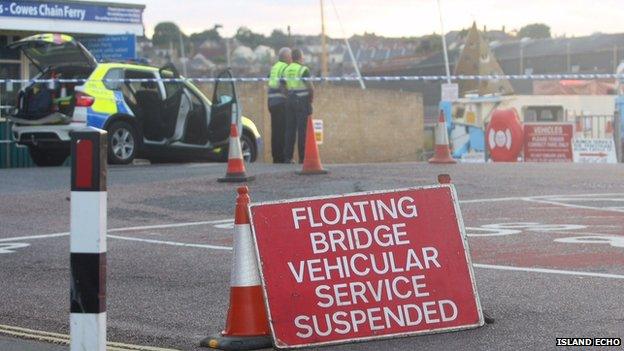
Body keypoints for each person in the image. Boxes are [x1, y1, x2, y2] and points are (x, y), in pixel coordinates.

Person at [283, 48, 314, 163]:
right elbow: (310, 88)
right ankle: (302, 158)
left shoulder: (286, 69)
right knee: (302, 131)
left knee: (290, 130)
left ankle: (288, 158)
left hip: (290, 100)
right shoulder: (303, 69)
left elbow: (282, 85)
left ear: (292, 57)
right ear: (301, 57)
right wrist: (310, 101)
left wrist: (288, 96)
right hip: (302, 101)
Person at [267, 47, 291, 163]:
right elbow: (283, 85)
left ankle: (276, 157)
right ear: (286, 57)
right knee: (283, 131)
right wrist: (289, 97)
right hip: (281, 102)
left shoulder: (275, 67)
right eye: (290, 57)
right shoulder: (285, 67)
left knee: (275, 131)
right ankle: (282, 157)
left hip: (271, 102)